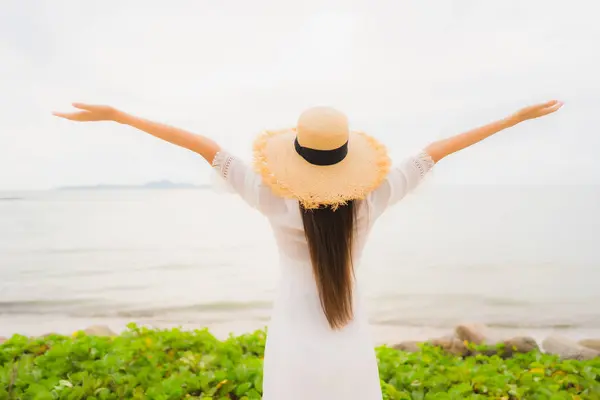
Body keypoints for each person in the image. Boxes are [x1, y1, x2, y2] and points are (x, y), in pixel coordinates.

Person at [53, 99, 563, 399]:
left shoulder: (272, 198)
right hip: (348, 326)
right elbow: (440, 149)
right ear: (347, 157)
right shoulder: (373, 199)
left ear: (296, 154)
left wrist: (118, 115)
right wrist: (514, 118)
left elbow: (200, 144)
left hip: (294, 331)